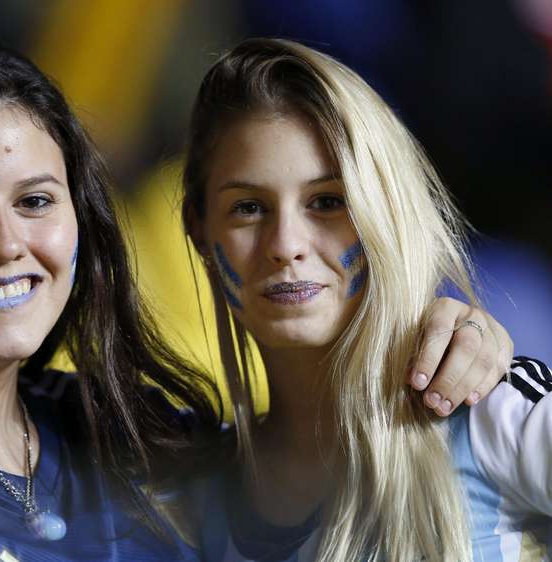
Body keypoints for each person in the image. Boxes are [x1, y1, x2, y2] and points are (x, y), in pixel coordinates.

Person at [0, 36, 512, 561]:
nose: (5, 242)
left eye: (35, 200)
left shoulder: (130, 437)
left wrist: (466, 338)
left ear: (81, 220)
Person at [182, 38, 550, 561]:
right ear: (198, 230)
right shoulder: (184, 497)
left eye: (328, 201)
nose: (286, 245)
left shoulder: (484, 410)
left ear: (386, 210)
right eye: (248, 207)